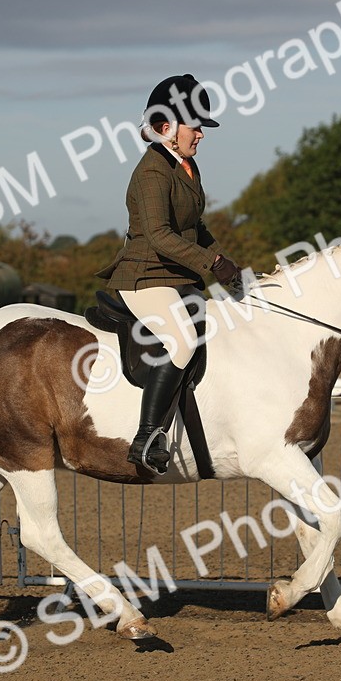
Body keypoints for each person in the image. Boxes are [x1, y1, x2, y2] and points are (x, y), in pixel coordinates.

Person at [97, 73, 243, 473]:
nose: (200, 134)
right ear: (165, 127)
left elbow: (197, 229)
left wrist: (231, 271)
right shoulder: (152, 172)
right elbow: (160, 236)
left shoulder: (187, 166)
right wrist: (211, 264)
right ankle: (147, 436)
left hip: (175, 276)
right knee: (181, 338)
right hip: (145, 275)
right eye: (194, 126)